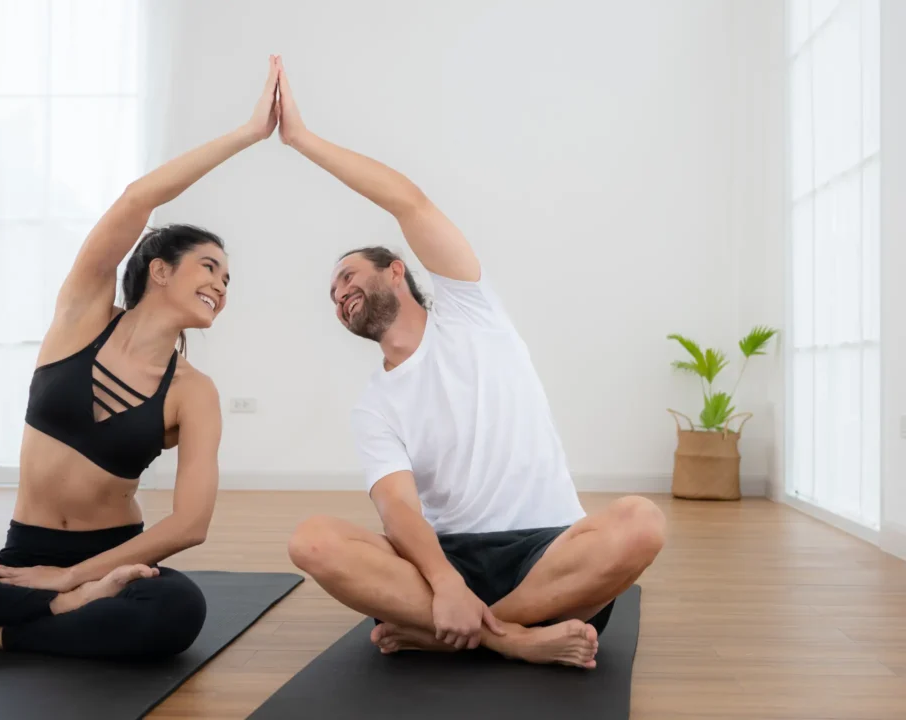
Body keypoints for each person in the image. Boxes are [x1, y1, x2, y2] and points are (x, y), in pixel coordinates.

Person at [280, 56, 666, 669]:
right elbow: (399, 510)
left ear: (397, 270)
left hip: (549, 558)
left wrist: (302, 140)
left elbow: (409, 202)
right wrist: (446, 584)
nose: (340, 294)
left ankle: (467, 634)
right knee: (313, 541)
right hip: (444, 565)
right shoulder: (373, 405)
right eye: (332, 296)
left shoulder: (471, 311)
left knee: (641, 523)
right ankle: (515, 638)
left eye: (348, 276)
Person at [0, 57, 284, 659]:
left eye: (229, 279)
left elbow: (190, 525)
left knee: (178, 609)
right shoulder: (81, 321)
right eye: (210, 267)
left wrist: (76, 578)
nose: (222, 286)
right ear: (159, 269)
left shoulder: (193, 391)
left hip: (111, 561)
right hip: (23, 555)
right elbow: (137, 199)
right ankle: (46, 619)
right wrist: (246, 135)